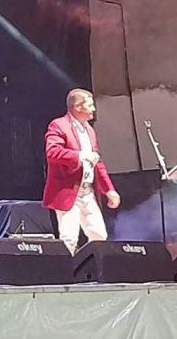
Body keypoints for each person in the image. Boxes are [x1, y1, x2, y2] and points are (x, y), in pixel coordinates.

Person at [42, 88, 120, 254]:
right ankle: (66, 269)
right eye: (90, 105)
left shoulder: (89, 130)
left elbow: (97, 162)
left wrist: (109, 190)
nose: (94, 109)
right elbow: (52, 152)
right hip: (68, 190)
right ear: (78, 107)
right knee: (69, 237)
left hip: (87, 191)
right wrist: (80, 155)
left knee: (99, 234)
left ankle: (94, 268)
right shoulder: (59, 125)